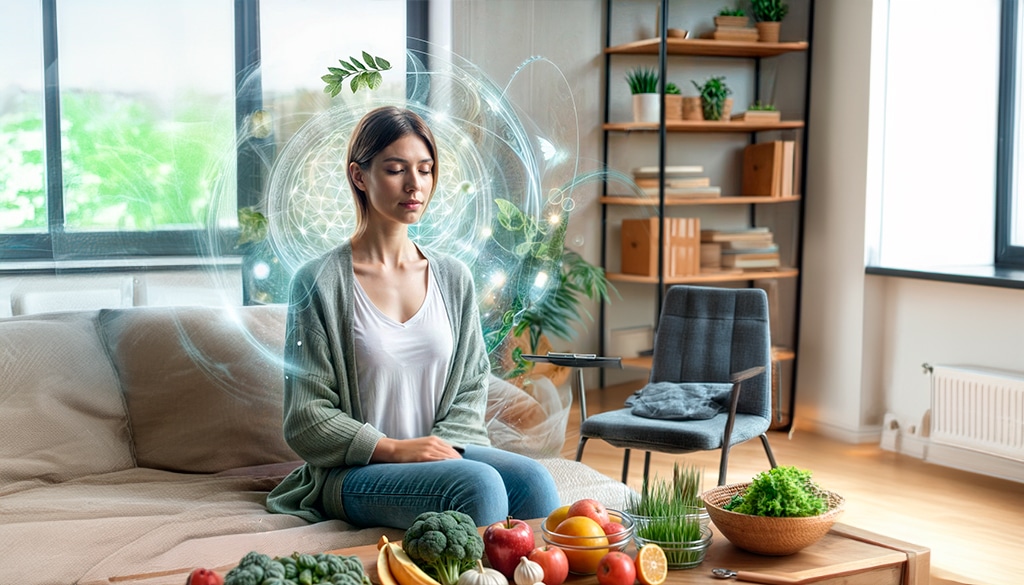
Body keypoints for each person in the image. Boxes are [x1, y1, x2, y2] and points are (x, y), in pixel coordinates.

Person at [266, 105, 561, 529]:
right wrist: (394, 449)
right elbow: (306, 418)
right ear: (358, 176)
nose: (415, 185)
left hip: (440, 454)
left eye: (425, 170)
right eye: (395, 169)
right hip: (357, 473)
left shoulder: (453, 278)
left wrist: (444, 448)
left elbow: (471, 385)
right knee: (479, 487)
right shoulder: (318, 282)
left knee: (534, 481)